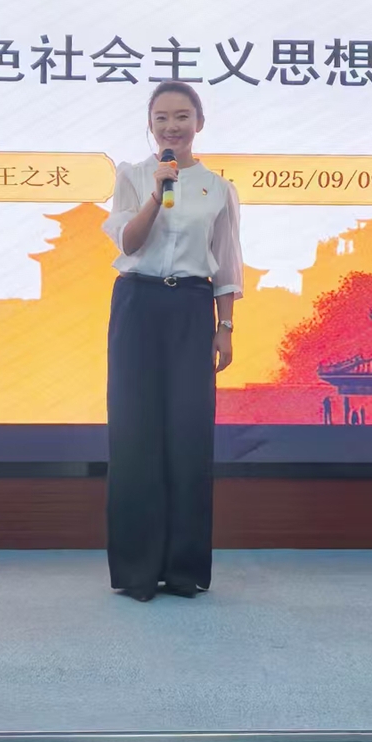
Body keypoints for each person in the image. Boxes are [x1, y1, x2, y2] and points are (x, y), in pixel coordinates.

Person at [101, 81, 242, 602]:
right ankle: (137, 570)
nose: (171, 127)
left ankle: (184, 569)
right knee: (134, 432)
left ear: (199, 123)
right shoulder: (134, 175)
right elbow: (129, 241)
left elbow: (227, 261)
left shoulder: (218, 188)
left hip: (190, 306)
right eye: (161, 117)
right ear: (150, 124)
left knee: (188, 432)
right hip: (137, 304)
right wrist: (157, 195)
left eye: (182, 116)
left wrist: (224, 326)